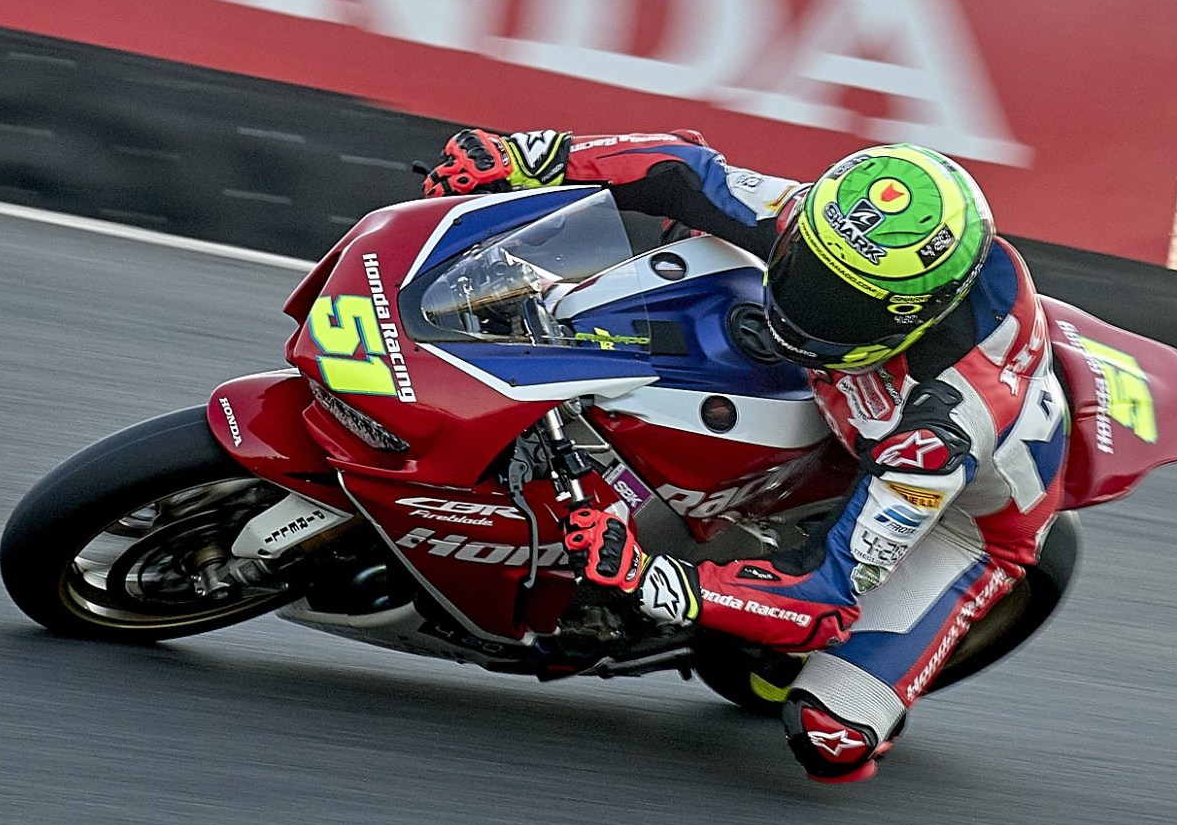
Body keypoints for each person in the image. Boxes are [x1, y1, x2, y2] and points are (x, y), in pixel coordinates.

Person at [422, 128, 1068, 784]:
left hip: (960, 520)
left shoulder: (938, 434)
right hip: (849, 395)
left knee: (830, 737)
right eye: (808, 268)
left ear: (909, 314)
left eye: (837, 303)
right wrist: (533, 156)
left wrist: (650, 576)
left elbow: (825, 595)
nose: (804, 297)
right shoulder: (845, 235)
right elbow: (688, 173)